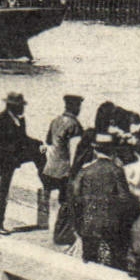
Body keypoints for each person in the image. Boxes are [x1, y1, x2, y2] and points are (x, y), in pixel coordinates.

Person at [71, 132, 136, 267]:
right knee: (116, 262)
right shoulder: (117, 171)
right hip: (111, 224)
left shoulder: (85, 171)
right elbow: (125, 199)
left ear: (95, 150)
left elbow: (75, 198)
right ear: (113, 151)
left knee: (89, 259)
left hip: (89, 224)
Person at [0, 91, 41, 234]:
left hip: (9, 161)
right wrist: (6, 147)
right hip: (2, 161)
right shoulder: (3, 119)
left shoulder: (18, 120)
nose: (23, 108)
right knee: (0, 192)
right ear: (12, 106)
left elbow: (23, 139)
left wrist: (38, 144)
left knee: (2, 191)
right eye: (20, 106)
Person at [39, 94, 84, 231]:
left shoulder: (55, 120)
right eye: (79, 107)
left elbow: (48, 141)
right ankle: (62, 227)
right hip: (64, 169)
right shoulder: (74, 124)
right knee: (66, 199)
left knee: (47, 191)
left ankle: (42, 222)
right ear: (75, 107)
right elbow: (76, 148)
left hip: (50, 165)